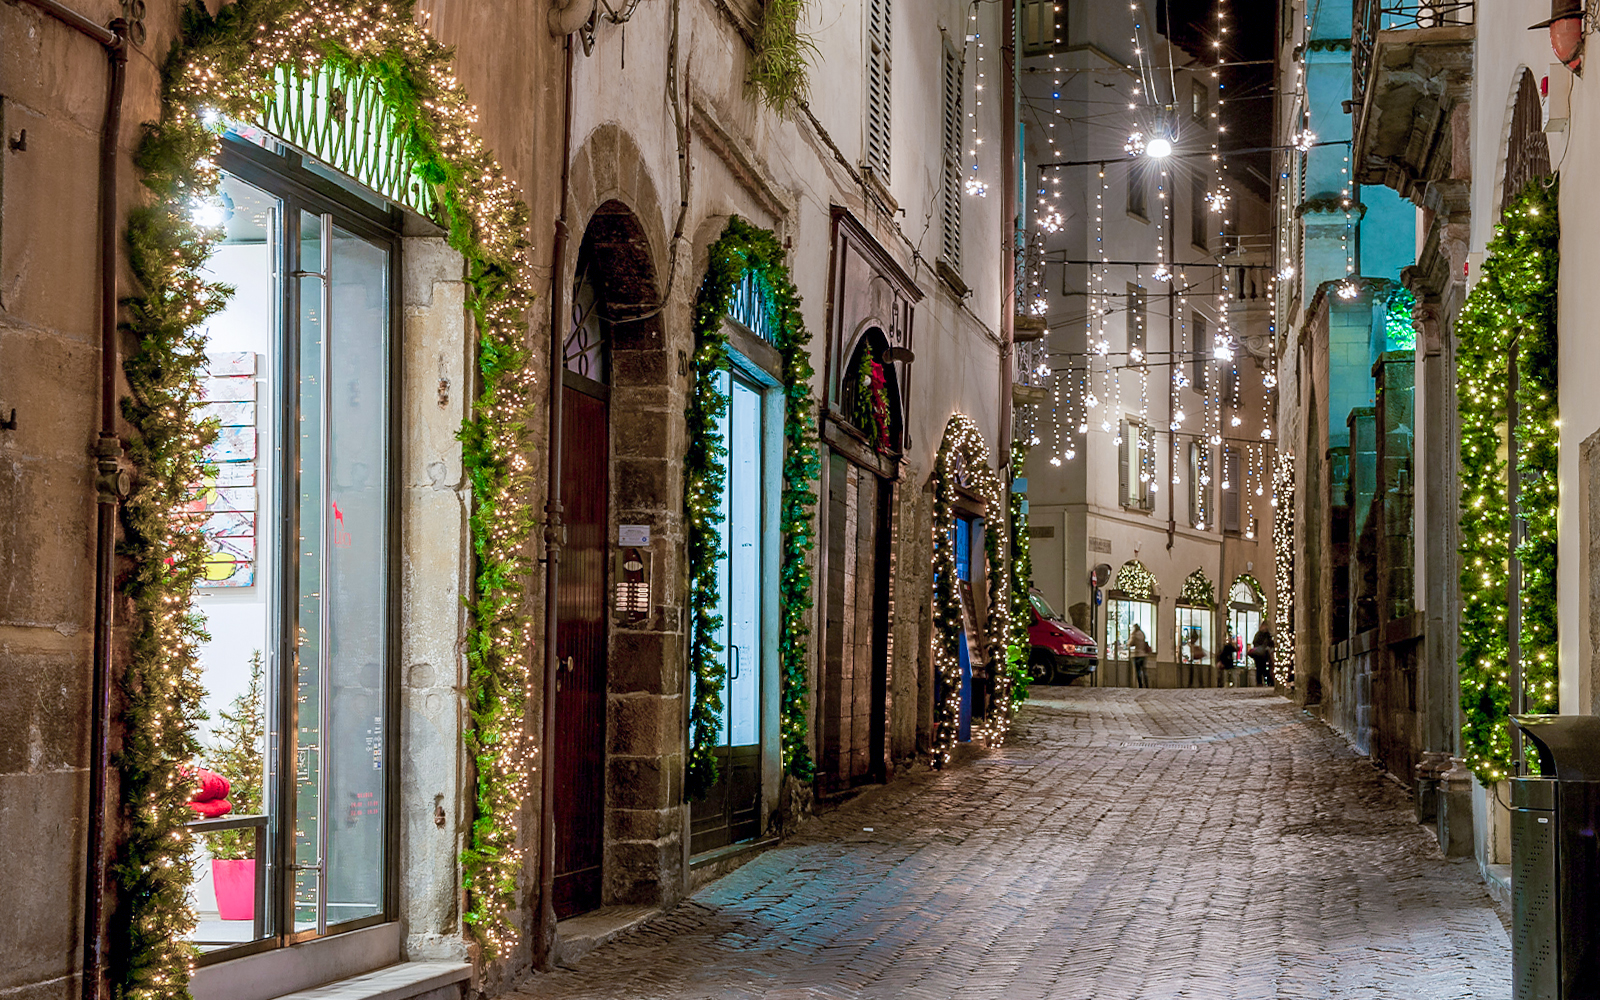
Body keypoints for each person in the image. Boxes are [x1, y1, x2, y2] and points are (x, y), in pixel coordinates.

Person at [1128, 623, 1152, 688]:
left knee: (1138, 671)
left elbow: (1130, 643)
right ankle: (1147, 685)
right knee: (1144, 670)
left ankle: (1140, 685)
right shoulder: (1142, 634)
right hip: (1143, 655)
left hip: (1137, 655)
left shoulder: (1134, 635)